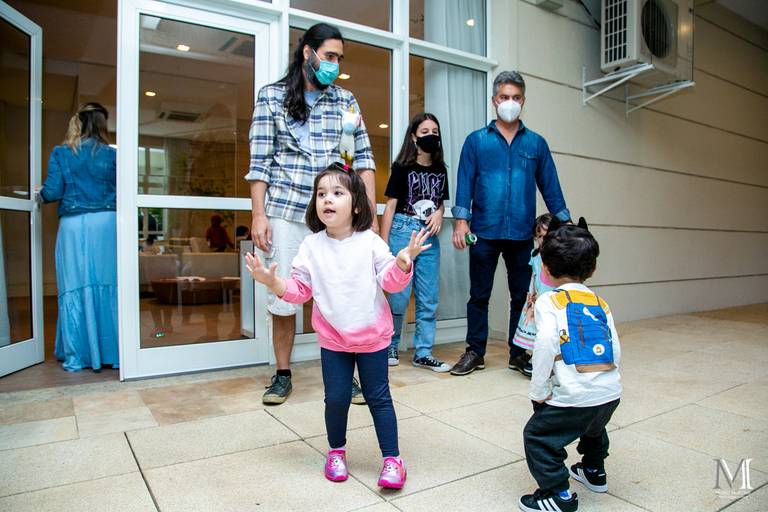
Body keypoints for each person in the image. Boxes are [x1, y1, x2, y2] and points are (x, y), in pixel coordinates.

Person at [245, 164, 430, 488]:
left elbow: (390, 281)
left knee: (378, 397)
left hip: (372, 336)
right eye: (321, 194)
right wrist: (273, 282)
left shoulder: (369, 242)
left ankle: (392, 460)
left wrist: (403, 262)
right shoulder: (311, 246)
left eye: (337, 193)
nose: (327, 199)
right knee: (336, 398)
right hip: (333, 339)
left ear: (356, 204)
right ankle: (336, 452)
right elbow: (300, 290)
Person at [246, 23, 378, 405]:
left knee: (340, 295)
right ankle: (283, 373)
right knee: (284, 297)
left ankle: (345, 374)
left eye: (339, 58)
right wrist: (259, 214)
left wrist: (364, 214)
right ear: (308, 53)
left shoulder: (345, 100)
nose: (335, 65)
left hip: (334, 214)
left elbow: (364, 160)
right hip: (286, 210)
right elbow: (260, 164)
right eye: (330, 56)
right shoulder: (271, 98)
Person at [450, 71, 571, 376]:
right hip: (483, 231)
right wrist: (461, 222)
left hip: (521, 234)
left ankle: (518, 354)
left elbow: (551, 187)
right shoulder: (476, 141)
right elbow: (464, 183)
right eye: (504, 97)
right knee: (479, 295)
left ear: (523, 102)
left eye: (516, 98)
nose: (510, 103)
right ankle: (475, 351)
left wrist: (567, 225)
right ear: (494, 101)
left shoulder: (536, 144)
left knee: (523, 296)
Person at [519, 219, 621, 512]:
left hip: (574, 397)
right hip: (609, 394)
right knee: (593, 426)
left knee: (538, 436)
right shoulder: (600, 302)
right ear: (592, 269)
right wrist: (607, 384)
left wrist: (538, 391)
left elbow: (545, 346)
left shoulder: (549, 301)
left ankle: (557, 494)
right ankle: (594, 471)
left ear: (546, 270)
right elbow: (615, 346)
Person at [39, 103, 118, 372]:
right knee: (109, 284)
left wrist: (37, 192)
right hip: (107, 225)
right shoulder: (111, 155)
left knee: (75, 286)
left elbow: (51, 191)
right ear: (102, 125)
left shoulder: (62, 152)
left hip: (73, 225)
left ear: (79, 122)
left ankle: (79, 353)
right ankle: (112, 351)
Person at [380, 113, 451, 372]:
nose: (430, 135)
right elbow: (390, 207)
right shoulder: (402, 167)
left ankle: (424, 352)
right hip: (402, 230)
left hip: (429, 235)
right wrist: (384, 245)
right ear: (413, 136)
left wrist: (440, 213)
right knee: (398, 296)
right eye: (424, 131)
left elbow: (440, 203)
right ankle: (390, 344)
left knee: (428, 297)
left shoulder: (441, 170)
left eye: (435, 131)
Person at [510, 213, 554, 377]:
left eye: (548, 236)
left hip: (552, 301)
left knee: (551, 333)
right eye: (540, 237)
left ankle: (552, 363)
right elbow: (534, 277)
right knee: (537, 333)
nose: (544, 240)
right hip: (536, 299)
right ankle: (537, 360)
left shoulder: (559, 257)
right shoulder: (535, 255)